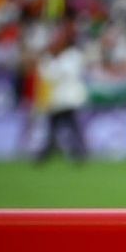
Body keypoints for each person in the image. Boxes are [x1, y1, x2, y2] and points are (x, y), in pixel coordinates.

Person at [34, 24, 89, 164]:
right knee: (55, 127)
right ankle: (50, 153)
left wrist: (50, 62)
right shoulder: (52, 58)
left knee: (70, 127)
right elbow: (45, 75)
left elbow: (59, 74)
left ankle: (77, 152)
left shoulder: (72, 56)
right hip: (56, 101)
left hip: (69, 99)